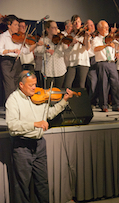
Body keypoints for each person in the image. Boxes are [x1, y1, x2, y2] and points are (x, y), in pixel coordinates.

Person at [6, 70, 74, 203]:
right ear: (21, 85)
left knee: (42, 183)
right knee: (21, 186)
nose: (34, 88)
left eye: (35, 84)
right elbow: (12, 125)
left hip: (39, 145)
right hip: (22, 146)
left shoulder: (39, 96)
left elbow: (49, 114)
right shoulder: (13, 100)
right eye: (31, 85)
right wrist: (34, 124)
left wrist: (64, 101)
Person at [0, 15, 42, 101]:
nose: (17, 27)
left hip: (17, 62)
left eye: (18, 25)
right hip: (7, 62)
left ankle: (17, 105)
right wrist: (11, 50)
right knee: (10, 86)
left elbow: (26, 51)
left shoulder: (18, 37)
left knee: (17, 85)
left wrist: (36, 44)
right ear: (9, 25)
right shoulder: (3, 36)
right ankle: (10, 106)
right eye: (15, 25)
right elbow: (0, 50)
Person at [92, 20, 119, 112]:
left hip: (112, 62)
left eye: (107, 27)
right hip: (102, 63)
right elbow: (95, 49)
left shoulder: (111, 38)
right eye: (105, 27)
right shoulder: (96, 39)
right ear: (99, 29)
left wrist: (117, 52)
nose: (107, 29)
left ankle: (116, 104)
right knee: (103, 84)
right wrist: (106, 45)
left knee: (115, 83)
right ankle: (104, 105)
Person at [34, 20, 68, 89]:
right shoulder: (43, 40)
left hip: (60, 70)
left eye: (56, 27)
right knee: (47, 93)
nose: (56, 29)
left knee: (58, 92)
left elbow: (67, 51)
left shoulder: (60, 39)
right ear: (48, 29)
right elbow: (36, 51)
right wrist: (46, 50)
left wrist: (64, 41)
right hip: (48, 71)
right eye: (53, 27)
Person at [63, 14, 91, 89]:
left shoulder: (83, 34)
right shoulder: (70, 36)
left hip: (83, 62)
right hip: (72, 62)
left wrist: (87, 38)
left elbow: (87, 48)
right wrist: (71, 44)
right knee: (67, 85)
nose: (77, 23)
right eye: (75, 22)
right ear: (72, 24)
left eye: (78, 21)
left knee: (81, 86)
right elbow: (66, 52)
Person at [85, 19, 98, 106]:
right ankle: (91, 102)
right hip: (90, 59)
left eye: (93, 24)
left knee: (99, 82)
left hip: (98, 59)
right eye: (90, 25)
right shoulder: (86, 36)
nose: (92, 26)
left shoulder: (97, 37)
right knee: (93, 82)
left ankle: (98, 101)